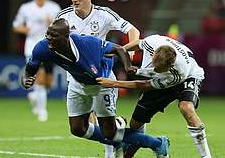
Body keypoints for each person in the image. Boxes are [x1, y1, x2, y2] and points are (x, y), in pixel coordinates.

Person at [21, 18, 169, 158]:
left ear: (66, 37)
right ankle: (120, 137)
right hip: (77, 83)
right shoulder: (42, 47)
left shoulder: (87, 44)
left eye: (53, 35)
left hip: (103, 84)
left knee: (110, 133)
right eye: (48, 34)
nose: (49, 38)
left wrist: (128, 67)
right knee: (78, 129)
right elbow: (30, 70)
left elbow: (118, 49)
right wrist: (26, 79)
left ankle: (158, 143)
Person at [55, 0, 140, 157]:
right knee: (78, 128)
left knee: (107, 128)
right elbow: (53, 41)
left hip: (102, 77)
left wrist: (127, 50)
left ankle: (117, 137)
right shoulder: (64, 17)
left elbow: (133, 30)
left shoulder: (104, 14)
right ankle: (117, 138)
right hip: (76, 79)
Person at [97, 34, 212, 158]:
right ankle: (129, 153)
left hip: (189, 76)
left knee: (186, 107)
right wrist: (120, 51)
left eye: (159, 69)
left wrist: (114, 83)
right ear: (154, 53)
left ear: (170, 66)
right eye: (154, 65)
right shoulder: (152, 42)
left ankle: (206, 156)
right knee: (135, 124)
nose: (155, 69)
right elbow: (138, 43)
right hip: (161, 79)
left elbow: (145, 84)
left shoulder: (177, 73)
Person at [13, 0, 61, 122]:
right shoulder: (26, 8)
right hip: (32, 47)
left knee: (49, 82)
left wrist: (51, 24)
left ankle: (35, 96)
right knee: (39, 77)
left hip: (50, 46)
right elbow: (16, 26)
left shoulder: (54, 7)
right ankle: (42, 111)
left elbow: (62, 27)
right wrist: (25, 29)